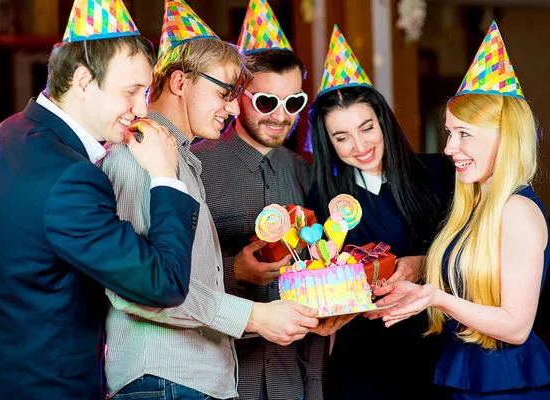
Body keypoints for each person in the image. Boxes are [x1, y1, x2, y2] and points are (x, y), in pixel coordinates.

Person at [0, 1, 199, 398]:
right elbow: (163, 283)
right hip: (46, 386)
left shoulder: (2, 137)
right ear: (84, 80)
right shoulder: (72, 175)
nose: (143, 109)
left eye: (147, 92)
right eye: (131, 92)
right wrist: (164, 175)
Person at [99, 1, 319, 399]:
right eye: (225, 92)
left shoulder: (183, 158)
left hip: (198, 378)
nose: (234, 108)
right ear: (181, 83)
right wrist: (253, 315)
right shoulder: (141, 152)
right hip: (164, 378)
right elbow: (138, 288)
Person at [373, 21, 550, 399]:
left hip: (505, 383)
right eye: (450, 132)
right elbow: (479, 266)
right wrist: (419, 266)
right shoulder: (477, 205)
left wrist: (435, 297)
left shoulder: (516, 210)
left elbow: (517, 326)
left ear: (506, 137)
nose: (450, 147)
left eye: (464, 134)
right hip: (469, 373)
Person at [193, 2, 351, 399]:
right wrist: (236, 273)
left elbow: (320, 274)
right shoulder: (194, 165)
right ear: (237, 97)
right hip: (217, 378)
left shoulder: (309, 172)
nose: (280, 116)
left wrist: (313, 383)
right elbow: (161, 277)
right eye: (266, 102)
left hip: (290, 380)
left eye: (293, 102)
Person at [306, 25, 454, 400]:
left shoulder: (440, 173)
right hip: (361, 355)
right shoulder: (325, 195)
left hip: (437, 345)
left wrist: (423, 262)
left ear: (383, 122)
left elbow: (476, 255)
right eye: (341, 138)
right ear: (328, 143)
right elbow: (322, 276)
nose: (359, 146)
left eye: (366, 128)